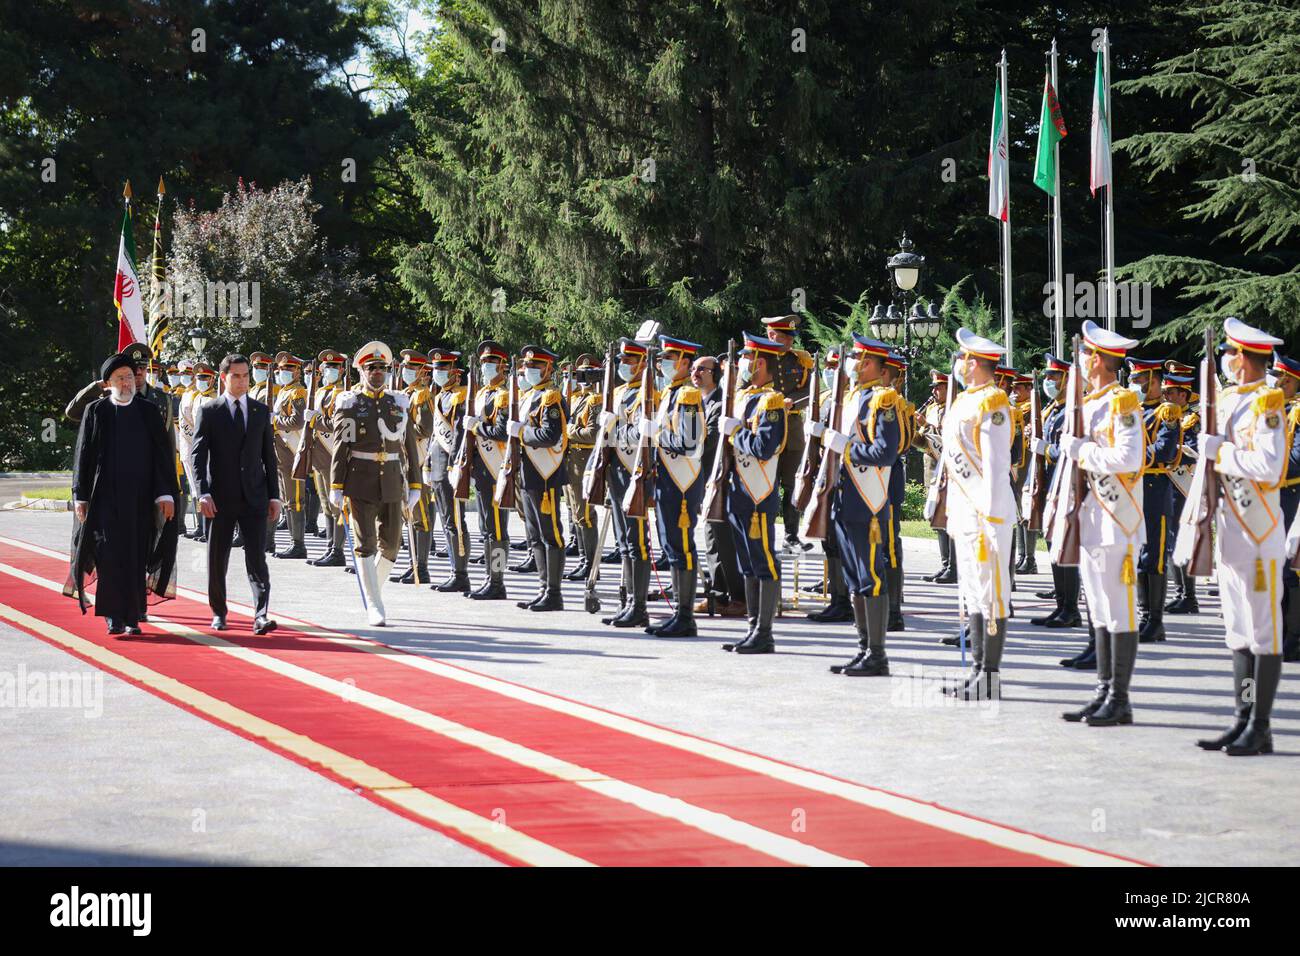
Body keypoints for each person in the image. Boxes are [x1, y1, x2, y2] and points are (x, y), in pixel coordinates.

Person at [1186, 319, 1286, 756]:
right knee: (1238, 632)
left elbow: (1268, 466)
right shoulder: (1229, 400)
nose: (1227, 358)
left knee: (1264, 632)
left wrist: (1219, 451)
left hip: (1259, 533)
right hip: (1230, 530)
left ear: (1243, 358)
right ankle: (1241, 718)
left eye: (1230, 352)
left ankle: (1260, 726)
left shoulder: (1269, 402)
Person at [1059, 321, 1146, 727]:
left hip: (1117, 521)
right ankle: (1102, 691)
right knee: (1097, 607)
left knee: (1119, 610)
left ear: (1096, 359)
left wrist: (1083, 451)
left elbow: (1129, 460)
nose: (1079, 362)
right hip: (1093, 518)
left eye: (1083, 355)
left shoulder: (1123, 403)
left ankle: (1120, 698)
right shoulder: (1090, 402)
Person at [67, 352, 179, 635]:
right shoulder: (96, 411)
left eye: (130, 377)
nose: (127, 382)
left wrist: (165, 494)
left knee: (135, 555)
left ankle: (132, 616)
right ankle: (113, 616)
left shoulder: (149, 412)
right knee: (109, 554)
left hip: (140, 499)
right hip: (104, 498)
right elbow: (83, 456)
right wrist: (80, 496)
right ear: (108, 383)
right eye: (120, 378)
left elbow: (162, 457)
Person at [816, 333, 901, 676]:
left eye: (857, 358)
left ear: (870, 364)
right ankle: (864, 648)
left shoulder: (883, 401)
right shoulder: (854, 398)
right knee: (854, 577)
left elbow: (885, 453)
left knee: (870, 577)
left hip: (867, 500)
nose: (851, 362)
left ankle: (878, 654)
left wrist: (843, 446)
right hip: (844, 497)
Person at [938, 330, 1014, 698]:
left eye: (962, 358)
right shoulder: (964, 401)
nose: (958, 364)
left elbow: (997, 465)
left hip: (988, 514)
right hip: (966, 512)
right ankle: (978, 672)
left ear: (973, 363)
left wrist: (989, 514)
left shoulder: (993, 403)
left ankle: (991, 677)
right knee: (972, 594)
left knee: (991, 594)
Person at [329, 341, 422, 626]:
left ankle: (373, 592)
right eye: (372, 368)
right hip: (360, 480)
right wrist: (336, 485)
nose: (378, 372)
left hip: (393, 480)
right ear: (362, 371)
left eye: (382, 368)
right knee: (365, 544)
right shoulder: (350, 403)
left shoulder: (399, 403)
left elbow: (410, 447)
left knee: (392, 545)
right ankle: (374, 604)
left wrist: (415, 485)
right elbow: (340, 447)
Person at [190, 353, 280, 634]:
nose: (242, 382)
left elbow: (269, 456)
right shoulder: (210, 410)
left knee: (257, 558)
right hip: (220, 499)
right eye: (236, 376)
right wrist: (203, 493)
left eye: (245, 376)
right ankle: (219, 612)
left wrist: (274, 496)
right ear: (224, 378)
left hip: (254, 496)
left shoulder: (260, 411)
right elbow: (197, 456)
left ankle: (261, 614)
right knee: (218, 559)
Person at [719, 332, 788, 655]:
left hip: (759, 491)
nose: (743, 364)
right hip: (738, 489)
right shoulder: (744, 397)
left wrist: (735, 431)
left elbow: (764, 446)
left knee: (762, 561)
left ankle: (765, 631)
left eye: (746, 358)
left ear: (759, 362)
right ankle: (751, 627)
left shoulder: (771, 403)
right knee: (747, 562)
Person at [643, 335, 706, 637]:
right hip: (667, 479)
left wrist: (656, 436)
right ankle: (678, 612)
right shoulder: (670, 394)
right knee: (671, 547)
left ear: (684, 362)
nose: (663, 364)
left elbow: (690, 442)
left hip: (682, 483)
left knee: (682, 548)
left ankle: (685, 616)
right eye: (662, 359)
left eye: (669, 359)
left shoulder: (689, 397)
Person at [1126, 357, 1185, 643]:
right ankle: (1143, 614)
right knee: (1139, 554)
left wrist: (1130, 452)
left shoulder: (1167, 412)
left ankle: (1156, 621)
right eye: (1133, 380)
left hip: (1155, 487)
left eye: (1139, 380)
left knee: (1155, 557)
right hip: (1135, 489)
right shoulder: (1132, 410)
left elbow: (1164, 450)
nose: (1134, 384)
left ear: (1154, 381)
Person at [508, 345, 570, 611]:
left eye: (536, 366)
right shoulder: (528, 396)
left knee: (550, 533)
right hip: (527, 472)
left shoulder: (550, 398)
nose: (529, 370)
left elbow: (549, 436)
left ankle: (554, 593)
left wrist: (521, 432)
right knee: (535, 534)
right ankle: (543, 587)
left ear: (548, 369)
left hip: (545, 474)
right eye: (527, 366)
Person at [600, 338, 655, 627]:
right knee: (624, 542)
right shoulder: (619, 392)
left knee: (637, 543)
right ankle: (630, 600)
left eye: (629, 361)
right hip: (617, 471)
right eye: (622, 360)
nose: (624, 365)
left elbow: (643, 435)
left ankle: (639, 605)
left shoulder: (649, 394)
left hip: (636, 471)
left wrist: (614, 430)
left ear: (643, 363)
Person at [1029, 355, 1083, 631]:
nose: (1048, 382)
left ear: (1066, 381)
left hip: (1067, 486)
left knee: (1065, 548)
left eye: (1053, 377)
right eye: (1048, 377)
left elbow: (1071, 450)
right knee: (1053, 546)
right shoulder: (1053, 410)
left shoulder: (1074, 411)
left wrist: (1045, 449)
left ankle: (1071, 609)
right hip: (1051, 485)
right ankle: (1061, 605)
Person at [692, 353, 747, 618]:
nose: (696, 373)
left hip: (718, 477)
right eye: (694, 368)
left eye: (702, 369)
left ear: (715, 375)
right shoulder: (693, 401)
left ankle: (737, 596)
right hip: (698, 477)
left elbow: (709, 439)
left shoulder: (720, 404)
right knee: (711, 538)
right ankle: (717, 594)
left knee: (723, 538)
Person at [461, 341, 513, 600]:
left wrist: (475, 427)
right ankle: (489, 578)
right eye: (483, 363)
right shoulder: (482, 394)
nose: (486, 367)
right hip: (482, 469)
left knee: (497, 529)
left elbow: (501, 432)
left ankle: (498, 581)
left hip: (496, 468)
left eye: (491, 363)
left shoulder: (503, 395)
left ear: (503, 366)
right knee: (486, 527)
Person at [806, 347, 855, 622]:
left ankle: (847, 598)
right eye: (827, 366)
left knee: (842, 541)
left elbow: (843, 438)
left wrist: (822, 432)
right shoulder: (827, 400)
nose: (829, 371)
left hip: (846, 477)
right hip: (826, 476)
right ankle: (838, 598)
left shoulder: (851, 401)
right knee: (829, 541)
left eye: (835, 367)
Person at [760, 314, 814, 554]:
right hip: (765, 427)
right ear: (771, 335)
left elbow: (810, 390)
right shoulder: (760, 360)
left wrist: (795, 402)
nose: (790, 343)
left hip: (792, 429)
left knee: (792, 485)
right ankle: (765, 532)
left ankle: (791, 536)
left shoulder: (800, 361)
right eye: (784, 338)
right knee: (766, 483)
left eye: (791, 338)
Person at [425, 347, 472, 592]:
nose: (439, 372)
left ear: (455, 371)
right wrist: (428, 461)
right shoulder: (440, 396)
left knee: (455, 520)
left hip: (450, 467)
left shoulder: (459, 397)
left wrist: (454, 464)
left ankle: (460, 573)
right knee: (446, 520)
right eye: (436, 368)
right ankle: (456, 570)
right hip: (437, 466)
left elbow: (458, 435)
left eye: (444, 367)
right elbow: (436, 435)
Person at [391, 349, 435, 583]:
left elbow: (425, 429)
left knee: (420, 517)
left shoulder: (422, 396)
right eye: (405, 367)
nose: (406, 371)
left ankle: (422, 567)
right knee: (409, 516)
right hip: (403, 458)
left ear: (420, 371)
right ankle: (412, 565)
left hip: (416, 458)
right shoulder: (404, 394)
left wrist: (401, 429)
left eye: (411, 368)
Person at [1162, 366, 1200, 614]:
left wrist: (1171, 454)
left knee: (1181, 539)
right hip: (1168, 484)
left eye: (1172, 393)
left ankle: (1189, 595)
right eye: (1165, 392)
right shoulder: (1166, 416)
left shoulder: (1192, 420)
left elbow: (1194, 451)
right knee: (1171, 541)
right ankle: (1180, 592)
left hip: (1183, 485)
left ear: (1184, 395)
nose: (1167, 397)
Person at [306, 349, 349, 568]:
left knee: (336, 504)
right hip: (320, 456)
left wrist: (316, 421)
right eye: (327, 367)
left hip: (333, 454)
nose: (329, 370)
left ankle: (337, 550)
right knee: (325, 504)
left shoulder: (342, 394)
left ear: (342, 370)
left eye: (334, 367)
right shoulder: (321, 391)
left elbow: (339, 425)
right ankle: (330, 546)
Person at [564, 353, 604, 582]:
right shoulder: (577, 398)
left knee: (584, 513)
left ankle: (591, 563)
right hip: (572, 458)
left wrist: (570, 432)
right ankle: (583, 559)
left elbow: (593, 433)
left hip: (584, 457)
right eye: (581, 373)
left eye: (588, 373)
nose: (583, 378)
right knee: (575, 512)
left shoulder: (595, 400)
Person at [880, 350, 912, 630]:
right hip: (866, 482)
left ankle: (893, 610)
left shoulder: (896, 403)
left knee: (889, 544)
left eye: (884, 370)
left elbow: (900, 444)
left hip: (888, 482)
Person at [916, 369, 955, 584]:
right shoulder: (932, 408)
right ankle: (945, 564)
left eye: (939, 387)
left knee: (948, 519)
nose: (934, 391)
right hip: (933, 468)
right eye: (934, 387)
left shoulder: (953, 409)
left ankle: (953, 566)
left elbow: (948, 438)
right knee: (938, 519)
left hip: (949, 470)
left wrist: (927, 426)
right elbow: (924, 443)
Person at [270, 352, 310, 559]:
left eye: (289, 369)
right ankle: (294, 542)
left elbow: (298, 421)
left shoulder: (298, 393)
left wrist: (275, 423)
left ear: (297, 372)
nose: (284, 372)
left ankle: (298, 545)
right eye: (282, 369)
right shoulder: (285, 391)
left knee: (295, 499)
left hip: (292, 450)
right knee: (287, 498)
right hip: (282, 451)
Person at [1274, 354, 1300, 661]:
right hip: (1275, 498)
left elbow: (1296, 460)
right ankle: (1279, 634)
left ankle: (1294, 638)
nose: (1278, 384)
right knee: (1277, 569)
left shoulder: (1297, 413)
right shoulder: (1279, 410)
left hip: (1292, 496)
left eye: (1283, 379)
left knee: (1292, 569)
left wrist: (1265, 467)